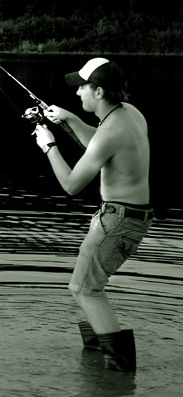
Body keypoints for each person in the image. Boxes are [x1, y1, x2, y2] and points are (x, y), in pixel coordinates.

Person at [32, 57, 152, 372]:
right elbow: (98, 144)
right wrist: (68, 118)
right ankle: (100, 360)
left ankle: (120, 367)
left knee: (85, 289)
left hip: (117, 221)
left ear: (98, 92)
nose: (78, 93)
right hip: (132, 217)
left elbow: (72, 184)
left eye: (83, 87)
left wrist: (49, 146)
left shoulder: (109, 133)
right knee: (88, 288)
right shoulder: (130, 115)